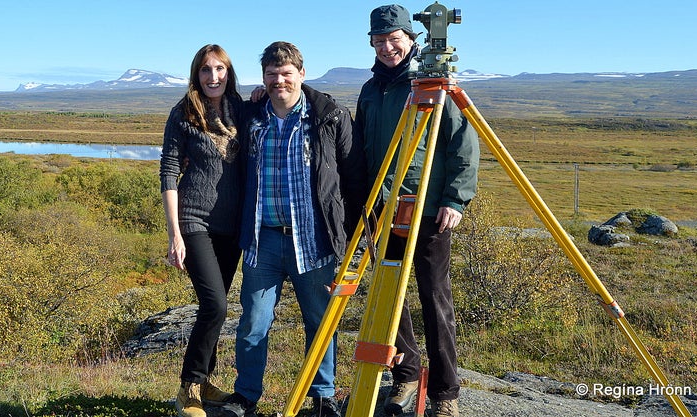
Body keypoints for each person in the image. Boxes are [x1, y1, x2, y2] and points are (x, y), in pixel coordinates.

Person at [221, 41, 367, 417]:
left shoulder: (329, 116)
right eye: (271, 74)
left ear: (302, 74)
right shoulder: (251, 115)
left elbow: (352, 179)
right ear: (263, 78)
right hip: (262, 239)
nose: (279, 80)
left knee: (320, 321)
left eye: (286, 73)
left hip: (313, 239)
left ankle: (322, 397)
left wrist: (351, 236)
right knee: (253, 321)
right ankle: (246, 397)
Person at [354, 5, 480, 417]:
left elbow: (463, 142)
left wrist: (454, 198)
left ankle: (445, 394)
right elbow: (361, 147)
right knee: (389, 297)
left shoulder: (432, 84)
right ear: (371, 43)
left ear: (412, 39)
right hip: (382, 207)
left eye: (395, 39)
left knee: (433, 297)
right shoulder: (371, 89)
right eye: (380, 40)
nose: (388, 47)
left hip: (425, 207)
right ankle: (406, 373)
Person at [160, 44, 245, 417]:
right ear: (196, 74)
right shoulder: (183, 114)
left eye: (220, 69)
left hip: (232, 227)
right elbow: (168, 174)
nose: (213, 77)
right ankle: (189, 389)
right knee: (215, 305)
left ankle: (206, 383)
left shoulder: (243, 108)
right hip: (194, 223)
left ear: (229, 72)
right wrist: (174, 234)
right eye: (206, 70)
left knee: (217, 309)